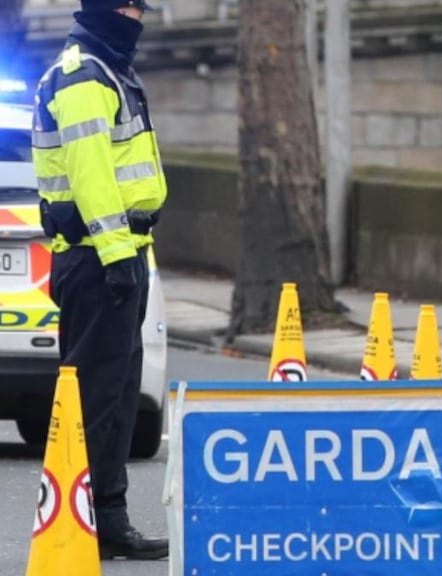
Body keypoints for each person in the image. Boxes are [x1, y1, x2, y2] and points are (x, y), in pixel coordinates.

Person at [30, 0, 168, 560]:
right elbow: (91, 179)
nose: (140, 18)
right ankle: (91, 519)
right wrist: (116, 258)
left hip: (117, 253)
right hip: (98, 258)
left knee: (113, 397)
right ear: (108, 10)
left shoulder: (108, 69)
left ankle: (105, 518)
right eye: (132, 8)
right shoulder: (85, 76)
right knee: (95, 400)